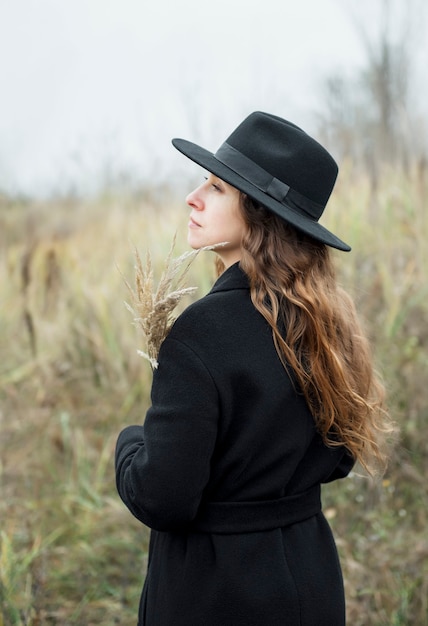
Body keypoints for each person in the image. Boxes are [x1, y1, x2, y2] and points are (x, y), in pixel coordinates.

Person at [115, 111, 392, 625]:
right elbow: (339, 459)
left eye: (217, 187)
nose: (193, 197)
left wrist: (129, 444)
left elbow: (164, 498)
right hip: (312, 579)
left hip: (217, 593)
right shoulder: (328, 322)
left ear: (261, 214)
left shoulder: (201, 332)